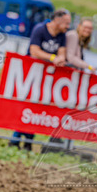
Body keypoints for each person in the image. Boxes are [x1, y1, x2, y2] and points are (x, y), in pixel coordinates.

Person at [10, 8, 71, 151]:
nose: (68, 27)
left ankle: (28, 141)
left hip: (46, 77)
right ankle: (15, 139)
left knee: (37, 109)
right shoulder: (40, 29)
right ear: (58, 20)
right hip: (30, 74)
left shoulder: (62, 35)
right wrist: (52, 58)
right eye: (66, 23)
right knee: (26, 106)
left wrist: (61, 58)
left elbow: (62, 53)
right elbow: (34, 51)